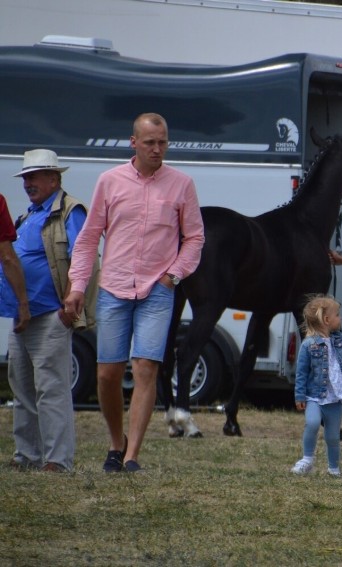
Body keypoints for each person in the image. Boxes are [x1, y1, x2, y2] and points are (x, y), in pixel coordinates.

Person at [65, 113, 205, 473]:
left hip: (158, 290)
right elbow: (89, 237)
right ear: (134, 142)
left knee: (145, 368)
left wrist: (173, 276)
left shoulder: (181, 184)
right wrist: (78, 286)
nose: (157, 149)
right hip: (113, 287)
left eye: (162, 142)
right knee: (107, 375)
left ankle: (132, 456)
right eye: (150, 143)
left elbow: (195, 238)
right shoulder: (109, 181)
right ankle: (116, 442)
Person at [2, 150, 94, 473]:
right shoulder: (29, 215)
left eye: (35, 177)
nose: (28, 183)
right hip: (23, 316)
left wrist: (68, 307)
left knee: (52, 389)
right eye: (26, 178)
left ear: (54, 178)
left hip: (50, 315)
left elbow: (84, 259)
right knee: (23, 388)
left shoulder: (70, 211)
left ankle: (57, 460)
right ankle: (27, 455)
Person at [291, 295, 342, 477]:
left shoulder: (339, 340)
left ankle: (333, 469)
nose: (340, 318)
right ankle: (307, 459)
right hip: (314, 396)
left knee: (333, 436)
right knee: (312, 422)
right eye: (337, 315)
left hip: (335, 398)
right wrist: (299, 395)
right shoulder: (308, 345)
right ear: (326, 319)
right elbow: (301, 372)